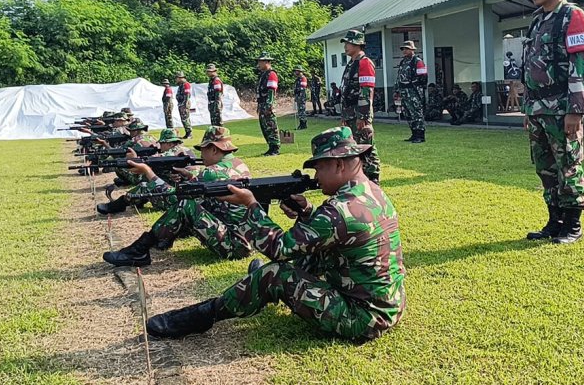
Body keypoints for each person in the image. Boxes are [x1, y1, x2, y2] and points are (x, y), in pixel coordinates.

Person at [144, 126, 405, 342]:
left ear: (338, 165)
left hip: (361, 319)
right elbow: (333, 235)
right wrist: (306, 212)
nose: (315, 175)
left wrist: (251, 205)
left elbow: (279, 247)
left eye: (319, 167)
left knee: (275, 274)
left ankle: (203, 315)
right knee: (304, 258)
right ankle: (253, 285)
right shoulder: (370, 191)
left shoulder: (339, 210)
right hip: (386, 305)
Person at [520, 0, 584, 245]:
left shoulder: (573, 16)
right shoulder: (538, 19)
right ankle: (555, 221)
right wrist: (528, 108)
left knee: (568, 163)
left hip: (561, 107)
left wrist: (575, 111)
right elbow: (528, 67)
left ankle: (573, 225)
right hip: (538, 109)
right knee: (545, 167)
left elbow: (582, 67)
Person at [102, 126, 254, 267]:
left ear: (214, 149)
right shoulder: (239, 165)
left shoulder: (210, 173)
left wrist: (148, 172)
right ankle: (161, 240)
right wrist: (189, 176)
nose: (201, 155)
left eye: (203, 150)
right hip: (246, 238)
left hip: (234, 245)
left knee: (185, 205)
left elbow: (172, 196)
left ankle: (139, 251)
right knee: (192, 205)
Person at [97, 128, 196, 215]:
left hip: (181, 202)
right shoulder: (187, 151)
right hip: (189, 197)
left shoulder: (172, 153)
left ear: (169, 143)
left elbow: (152, 161)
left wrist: (135, 159)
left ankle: (118, 205)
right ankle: (136, 201)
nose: (160, 147)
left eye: (162, 144)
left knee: (145, 186)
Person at [339, 29, 381, 182]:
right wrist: (344, 115)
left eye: (349, 43)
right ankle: (361, 178)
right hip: (350, 113)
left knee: (366, 147)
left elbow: (366, 90)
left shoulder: (364, 62)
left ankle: (373, 178)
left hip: (359, 113)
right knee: (355, 147)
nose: (346, 46)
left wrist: (362, 116)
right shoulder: (352, 63)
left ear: (358, 44)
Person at [394, 40, 428, 143]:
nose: (404, 51)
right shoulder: (403, 62)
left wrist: (417, 87)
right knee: (407, 113)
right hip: (404, 90)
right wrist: (397, 89)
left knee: (416, 112)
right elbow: (399, 76)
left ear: (412, 50)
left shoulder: (417, 61)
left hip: (413, 90)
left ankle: (420, 135)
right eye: (403, 49)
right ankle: (414, 133)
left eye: (406, 49)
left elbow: (423, 77)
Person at [113, 120, 158, 187]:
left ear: (136, 131)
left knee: (119, 165)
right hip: (154, 170)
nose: (129, 133)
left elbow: (121, 152)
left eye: (131, 131)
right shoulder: (151, 138)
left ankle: (131, 181)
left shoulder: (135, 141)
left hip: (144, 172)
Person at [256, 52, 280, 156]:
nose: (258, 64)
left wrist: (269, 104)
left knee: (271, 126)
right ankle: (270, 147)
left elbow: (271, 90)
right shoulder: (263, 75)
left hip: (267, 104)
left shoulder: (271, 74)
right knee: (264, 126)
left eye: (260, 61)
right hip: (262, 104)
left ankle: (275, 148)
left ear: (267, 62)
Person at [175, 71, 193, 139]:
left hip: (184, 104)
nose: (176, 80)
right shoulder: (181, 85)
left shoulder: (186, 84)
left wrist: (184, 105)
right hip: (181, 104)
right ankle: (187, 133)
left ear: (180, 78)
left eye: (177, 78)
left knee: (185, 119)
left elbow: (187, 95)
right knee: (183, 119)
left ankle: (189, 133)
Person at [293, 65, 309, 130]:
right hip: (298, 96)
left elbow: (303, 87)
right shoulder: (297, 79)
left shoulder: (303, 78)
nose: (295, 72)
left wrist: (297, 91)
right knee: (299, 110)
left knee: (302, 110)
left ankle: (303, 124)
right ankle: (301, 123)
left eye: (296, 71)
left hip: (301, 96)